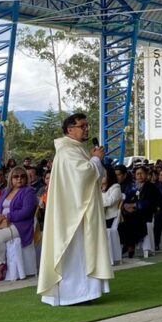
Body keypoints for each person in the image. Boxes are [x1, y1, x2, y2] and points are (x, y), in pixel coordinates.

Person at [38, 113, 114, 306]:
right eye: (82, 126)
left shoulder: (77, 149)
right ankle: (74, 294)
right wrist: (96, 160)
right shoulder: (67, 151)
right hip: (73, 214)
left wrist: (96, 160)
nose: (86, 129)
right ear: (69, 130)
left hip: (82, 208)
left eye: (87, 125)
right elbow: (83, 176)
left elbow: (94, 176)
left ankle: (87, 292)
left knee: (84, 251)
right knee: (76, 253)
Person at [0, 167, 37, 281]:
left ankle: (0, 266)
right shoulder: (6, 191)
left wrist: (7, 216)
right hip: (2, 223)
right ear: (11, 178)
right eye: (16, 176)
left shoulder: (28, 192)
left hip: (20, 225)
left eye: (22, 176)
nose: (19, 179)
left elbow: (26, 212)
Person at [118, 166, 160, 258]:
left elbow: (150, 202)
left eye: (142, 173)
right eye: (138, 174)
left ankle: (130, 245)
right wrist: (125, 206)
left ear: (147, 175)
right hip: (131, 212)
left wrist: (134, 205)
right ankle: (127, 244)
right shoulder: (132, 186)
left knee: (132, 220)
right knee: (122, 220)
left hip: (146, 213)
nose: (140, 176)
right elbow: (126, 199)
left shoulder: (151, 187)